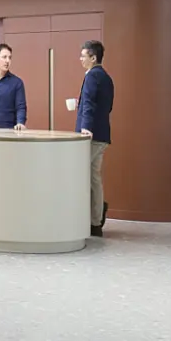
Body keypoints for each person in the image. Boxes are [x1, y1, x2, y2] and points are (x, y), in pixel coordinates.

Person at [77, 39, 115, 237]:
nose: (81, 59)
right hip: (102, 134)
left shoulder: (92, 76)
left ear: (93, 57)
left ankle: (90, 218)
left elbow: (90, 102)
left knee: (82, 176)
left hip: (91, 136)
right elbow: (106, 107)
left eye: (83, 56)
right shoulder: (106, 77)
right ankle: (96, 220)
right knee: (94, 178)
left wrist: (85, 126)